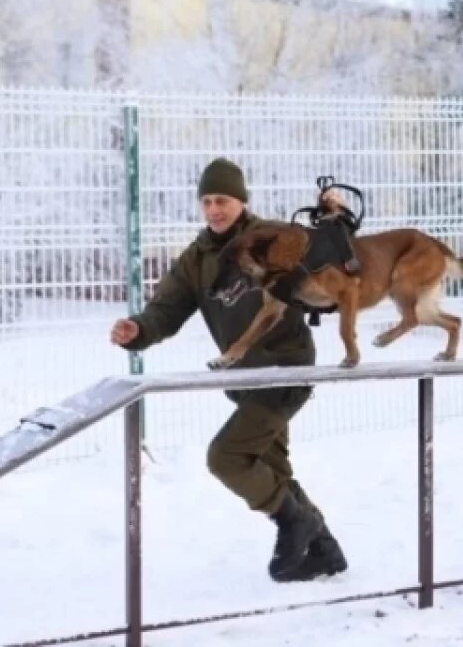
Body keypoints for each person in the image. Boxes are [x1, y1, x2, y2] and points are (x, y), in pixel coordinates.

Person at [109, 157, 348, 583]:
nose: (214, 210)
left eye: (222, 200)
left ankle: (297, 524)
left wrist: (334, 214)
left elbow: (328, 251)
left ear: (241, 201)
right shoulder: (198, 259)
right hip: (244, 379)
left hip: (284, 369)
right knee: (272, 471)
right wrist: (138, 329)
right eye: (207, 202)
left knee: (228, 457)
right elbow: (167, 308)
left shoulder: (271, 238)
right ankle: (324, 552)